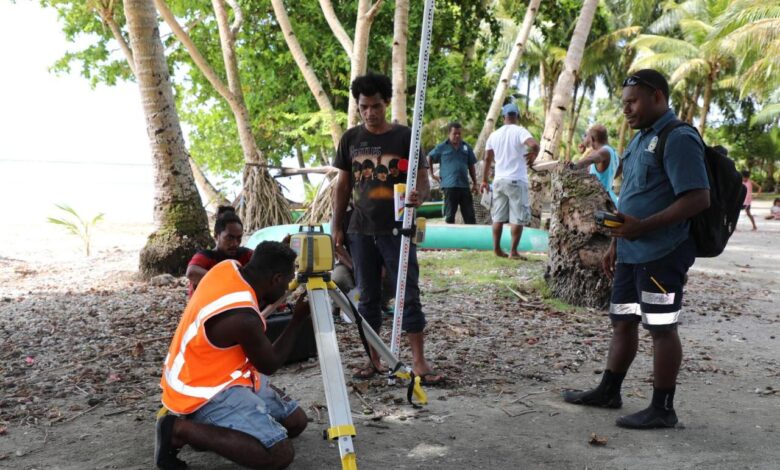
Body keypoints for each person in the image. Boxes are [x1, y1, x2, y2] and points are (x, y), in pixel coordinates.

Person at [563, 69, 711, 429]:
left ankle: (662, 408)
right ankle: (609, 390)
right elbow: (632, 196)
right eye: (623, 103)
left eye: (633, 101)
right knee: (623, 320)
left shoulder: (677, 138)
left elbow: (697, 198)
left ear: (657, 97)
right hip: (630, 254)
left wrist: (642, 228)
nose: (626, 109)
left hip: (661, 253)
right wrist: (616, 242)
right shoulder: (639, 139)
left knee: (661, 327)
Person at [331, 72, 444, 385]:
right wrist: (336, 225)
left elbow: (423, 177)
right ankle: (374, 360)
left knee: (408, 293)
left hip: (398, 230)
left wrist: (419, 196)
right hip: (359, 230)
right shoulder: (350, 140)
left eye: (376, 106)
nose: (370, 113)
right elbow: (343, 185)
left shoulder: (406, 136)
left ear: (386, 103)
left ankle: (419, 363)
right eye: (364, 107)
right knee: (367, 297)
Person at [155, 241, 310, 469]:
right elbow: (270, 364)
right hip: (203, 389)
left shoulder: (228, 267)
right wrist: (297, 320)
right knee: (279, 454)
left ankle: (209, 431)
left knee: (296, 423)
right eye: (288, 280)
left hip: (226, 372)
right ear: (276, 279)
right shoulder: (243, 318)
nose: (289, 286)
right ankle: (178, 430)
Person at [480, 102, 540, 258]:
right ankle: (513, 251)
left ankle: (497, 249)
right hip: (516, 180)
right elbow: (534, 145)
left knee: (498, 217)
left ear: (503, 117)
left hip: (499, 180)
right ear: (517, 117)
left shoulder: (494, 135)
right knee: (517, 217)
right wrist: (534, 153)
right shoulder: (520, 131)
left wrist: (484, 180)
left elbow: (487, 158)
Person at [186, 206, 252, 296]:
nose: (235, 243)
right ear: (216, 236)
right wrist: (231, 282)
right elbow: (191, 272)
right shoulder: (206, 256)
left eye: (239, 238)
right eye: (230, 238)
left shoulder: (246, 254)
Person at [428, 122, 479, 224]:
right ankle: (448, 238)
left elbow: (471, 165)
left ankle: (471, 238)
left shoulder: (466, 147)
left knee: (470, 216)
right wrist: (432, 174)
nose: (457, 136)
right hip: (449, 186)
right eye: (455, 133)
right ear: (449, 134)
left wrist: (475, 183)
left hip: (464, 185)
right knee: (450, 216)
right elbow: (429, 157)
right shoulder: (442, 147)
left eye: (459, 133)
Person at [574, 124, 620, 206]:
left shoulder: (603, 152)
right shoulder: (614, 152)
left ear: (592, 138)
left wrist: (571, 167)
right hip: (610, 198)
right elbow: (621, 167)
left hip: (601, 202)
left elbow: (587, 161)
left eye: (587, 136)